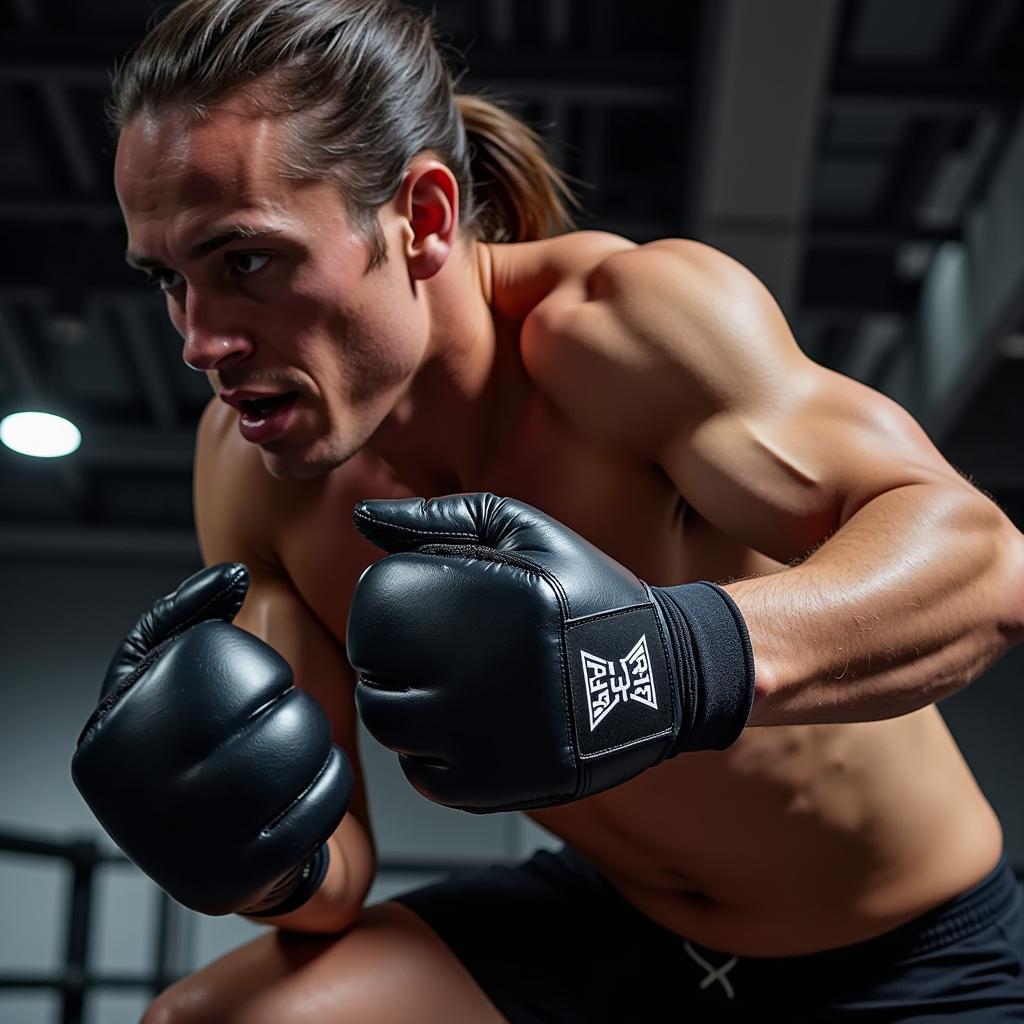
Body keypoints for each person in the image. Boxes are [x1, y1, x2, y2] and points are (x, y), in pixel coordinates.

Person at [70, 0, 1024, 1020]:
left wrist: (660, 659)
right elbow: (330, 862)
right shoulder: (256, 476)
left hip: (905, 955)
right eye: (169, 278)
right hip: (615, 933)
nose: (198, 341)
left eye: (244, 261)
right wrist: (245, 850)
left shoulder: (623, 332)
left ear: (423, 219)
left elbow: (983, 563)